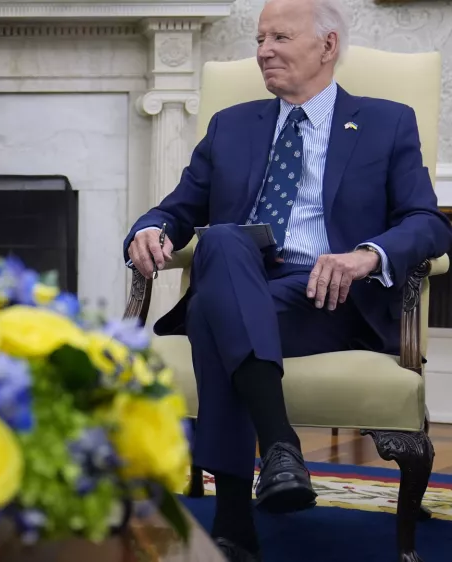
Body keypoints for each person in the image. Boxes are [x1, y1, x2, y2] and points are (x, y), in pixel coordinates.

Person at [123, 0, 452, 559]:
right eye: (258, 39)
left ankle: (232, 518)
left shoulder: (385, 121)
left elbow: (426, 223)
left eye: (280, 37)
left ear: (327, 47)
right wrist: (149, 230)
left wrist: (366, 256)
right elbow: (176, 210)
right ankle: (279, 449)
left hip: (331, 301)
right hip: (243, 279)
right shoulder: (232, 126)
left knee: (210, 312)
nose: (263, 51)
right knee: (224, 242)